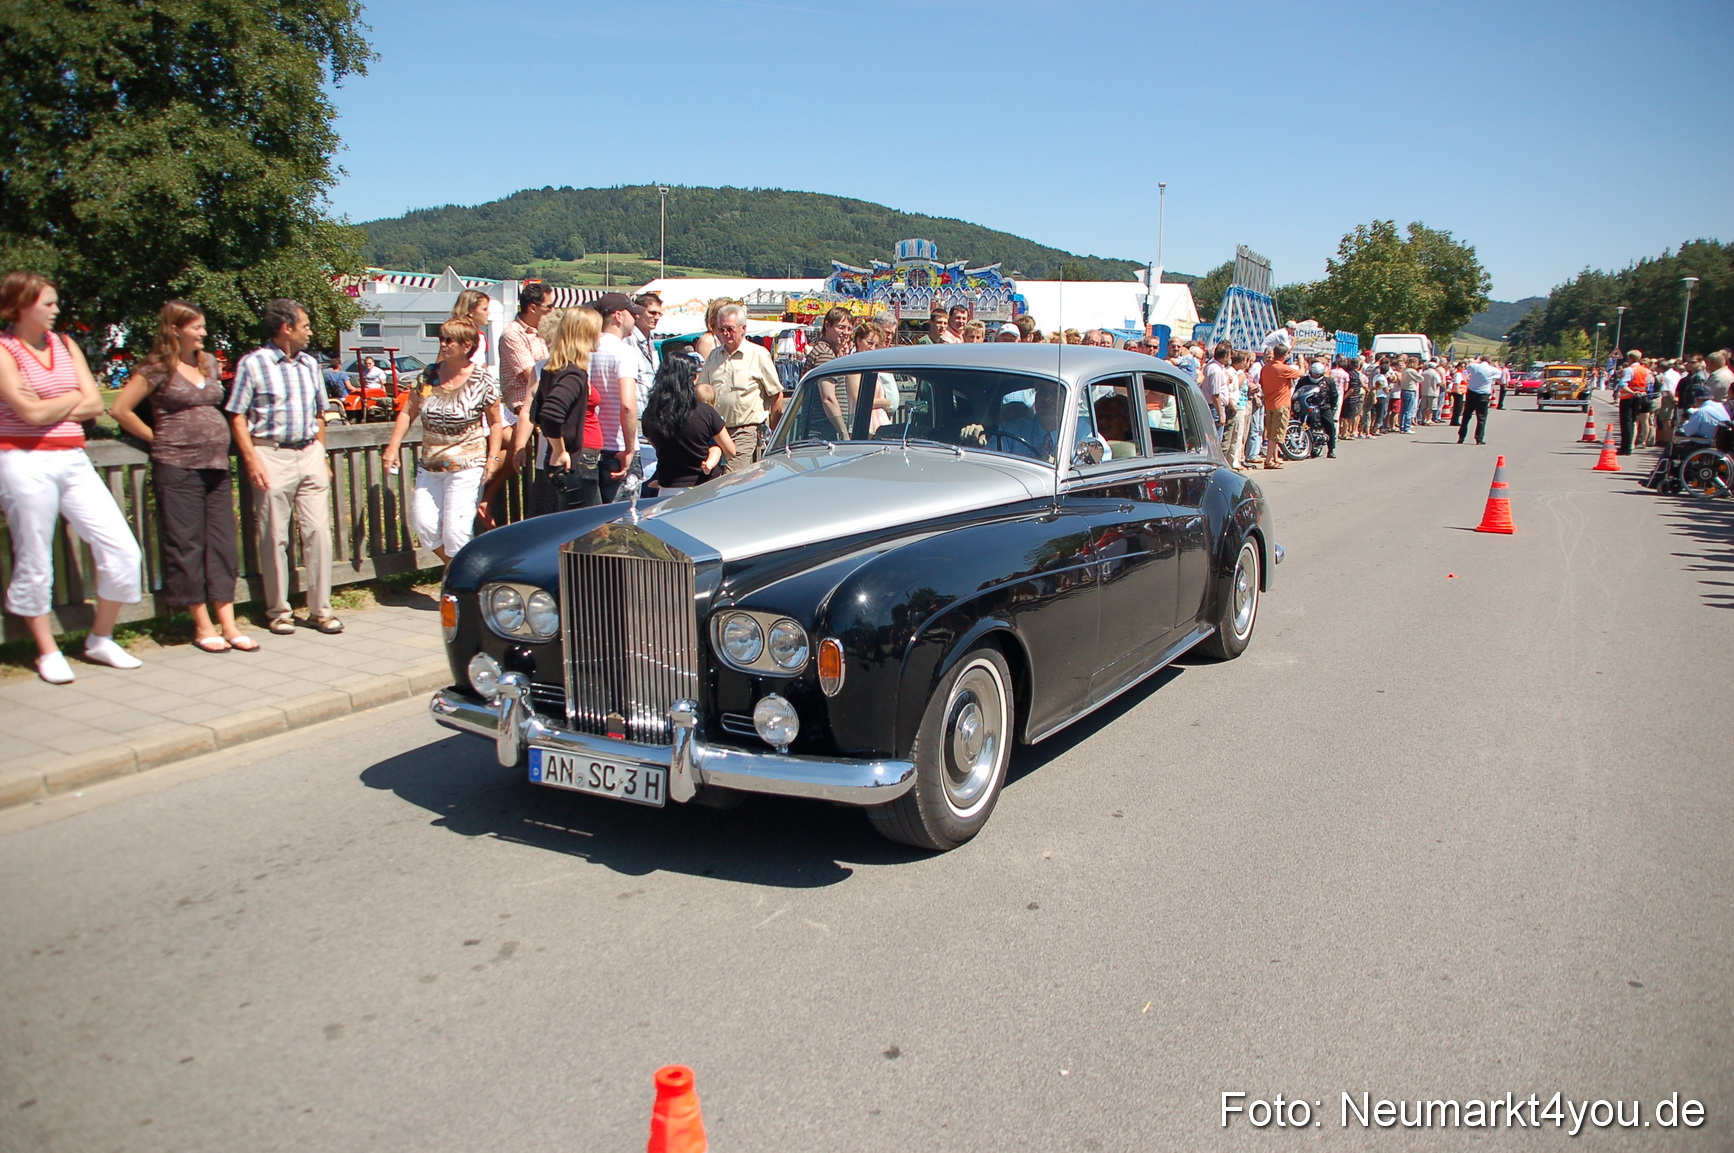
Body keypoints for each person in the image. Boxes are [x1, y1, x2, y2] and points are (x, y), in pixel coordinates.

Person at [0, 272, 145, 683]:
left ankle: (100, 638)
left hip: (73, 458)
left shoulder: (66, 344)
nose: (55, 310)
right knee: (33, 556)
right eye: (47, 303)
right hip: (21, 459)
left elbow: (95, 403)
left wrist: (49, 401)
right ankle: (47, 650)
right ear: (21, 306)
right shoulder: (4, 350)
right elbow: (29, 415)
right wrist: (69, 401)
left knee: (122, 549)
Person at [111, 300, 250, 653]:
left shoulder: (208, 364)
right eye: (196, 327)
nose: (203, 332)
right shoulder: (156, 367)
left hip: (216, 465)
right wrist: (156, 438)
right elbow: (120, 410)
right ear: (175, 329)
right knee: (186, 544)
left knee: (221, 543)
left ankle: (229, 623)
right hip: (177, 466)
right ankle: (202, 625)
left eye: (204, 326)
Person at [226, 298, 341, 635]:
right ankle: (279, 610)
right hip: (270, 453)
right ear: (286, 328)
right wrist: (251, 459)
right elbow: (236, 415)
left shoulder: (309, 364)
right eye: (305, 325)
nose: (310, 332)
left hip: (308, 453)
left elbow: (321, 412)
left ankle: (321, 609)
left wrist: (320, 452)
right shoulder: (254, 364)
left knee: (318, 532)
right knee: (274, 536)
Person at [381, 317, 504, 561]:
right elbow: (409, 411)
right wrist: (392, 447)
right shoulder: (430, 376)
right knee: (425, 526)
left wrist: (493, 456)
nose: (443, 344)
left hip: (467, 465)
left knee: (456, 533)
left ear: (467, 345)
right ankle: (459, 572)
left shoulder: (482, 380)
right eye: (442, 338)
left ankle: (459, 588)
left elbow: (495, 421)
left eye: (449, 340)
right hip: (431, 464)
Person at [529, 306, 604, 511]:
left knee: (590, 525)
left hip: (567, 460)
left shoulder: (552, 369)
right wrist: (560, 449)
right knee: (583, 529)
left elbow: (536, 414)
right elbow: (550, 414)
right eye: (597, 330)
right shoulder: (573, 374)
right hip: (575, 460)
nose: (600, 336)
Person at [699, 302, 782, 472]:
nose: (725, 334)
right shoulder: (714, 356)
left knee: (733, 481)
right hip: (716, 432)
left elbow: (776, 395)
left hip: (746, 431)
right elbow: (702, 390)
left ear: (743, 328)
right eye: (721, 329)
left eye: (730, 329)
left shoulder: (758, 354)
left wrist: (774, 431)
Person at [584, 292, 648, 501]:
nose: (636, 318)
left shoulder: (585, 350)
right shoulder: (624, 352)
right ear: (619, 316)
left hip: (591, 444)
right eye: (632, 314)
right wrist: (630, 448)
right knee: (623, 518)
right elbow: (627, 404)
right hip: (618, 445)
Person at [641, 356, 735, 489]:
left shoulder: (649, 414)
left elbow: (657, 446)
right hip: (705, 485)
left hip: (668, 486)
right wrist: (714, 450)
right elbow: (730, 450)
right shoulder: (705, 412)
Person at [1258, 345, 1302, 469]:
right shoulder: (1283, 368)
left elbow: (1262, 383)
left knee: (1272, 432)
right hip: (1281, 404)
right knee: (1277, 434)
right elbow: (1300, 373)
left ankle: (1275, 457)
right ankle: (1268, 460)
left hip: (1269, 404)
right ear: (1284, 355)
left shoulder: (1265, 368)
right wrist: (1302, 362)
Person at [1615, 349, 1651, 456]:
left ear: (1630, 358)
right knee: (1633, 421)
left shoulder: (1629, 370)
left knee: (1626, 423)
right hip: (1640, 398)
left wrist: (1632, 392)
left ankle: (1626, 447)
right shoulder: (1645, 370)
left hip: (1628, 398)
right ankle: (1629, 445)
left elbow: (1623, 384)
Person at [1457, 354, 1499, 445]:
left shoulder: (1474, 366)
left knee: (1466, 416)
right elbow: (1498, 375)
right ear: (1489, 361)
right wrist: (1497, 366)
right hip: (1483, 394)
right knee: (1481, 418)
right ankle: (1479, 438)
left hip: (1471, 393)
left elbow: (1468, 366)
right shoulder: (1492, 370)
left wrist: (1476, 360)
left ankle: (1461, 437)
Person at [449, 288, 493, 367]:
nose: (488, 313)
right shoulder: (457, 335)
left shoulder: (479, 335)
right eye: (484, 309)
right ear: (470, 311)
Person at [631, 291, 663, 374]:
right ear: (638, 313)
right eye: (652, 313)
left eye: (660, 314)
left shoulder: (650, 339)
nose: (657, 317)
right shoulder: (629, 339)